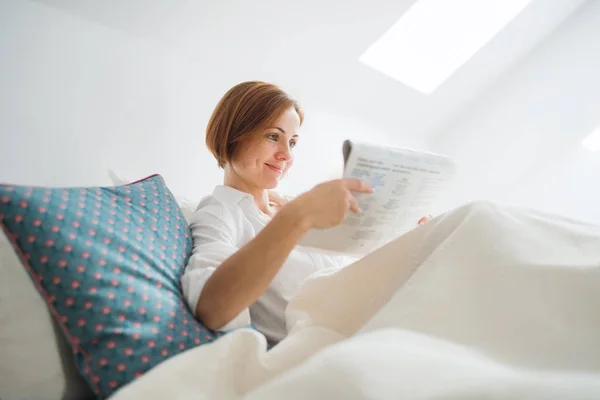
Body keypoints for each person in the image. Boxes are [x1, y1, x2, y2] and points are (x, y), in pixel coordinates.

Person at [181, 81, 373, 345]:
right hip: (328, 346)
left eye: (292, 142)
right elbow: (212, 309)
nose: (286, 155)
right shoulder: (220, 212)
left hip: (370, 320)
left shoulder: (292, 204)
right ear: (232, 135)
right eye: (273, 136)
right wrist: (296, 217)